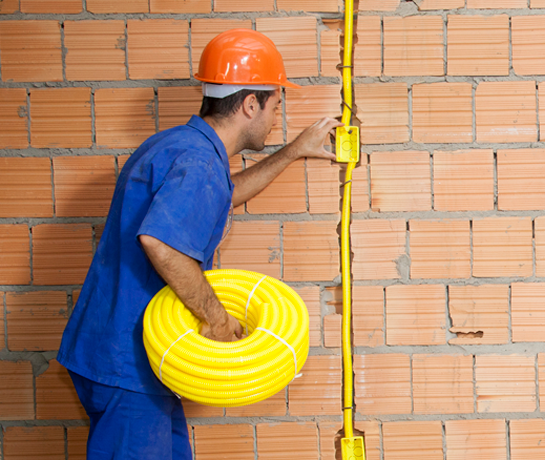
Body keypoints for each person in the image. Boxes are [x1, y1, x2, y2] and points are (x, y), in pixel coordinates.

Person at [57, 29, 342, 460]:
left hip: (129, 359)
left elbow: (224, 192)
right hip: (128, 366)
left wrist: (293, 151)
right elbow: (161, 243)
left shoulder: (179, 147)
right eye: (275, 106)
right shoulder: (198, 163)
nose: (276, 118)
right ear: (250, 104)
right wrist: (218, 319)